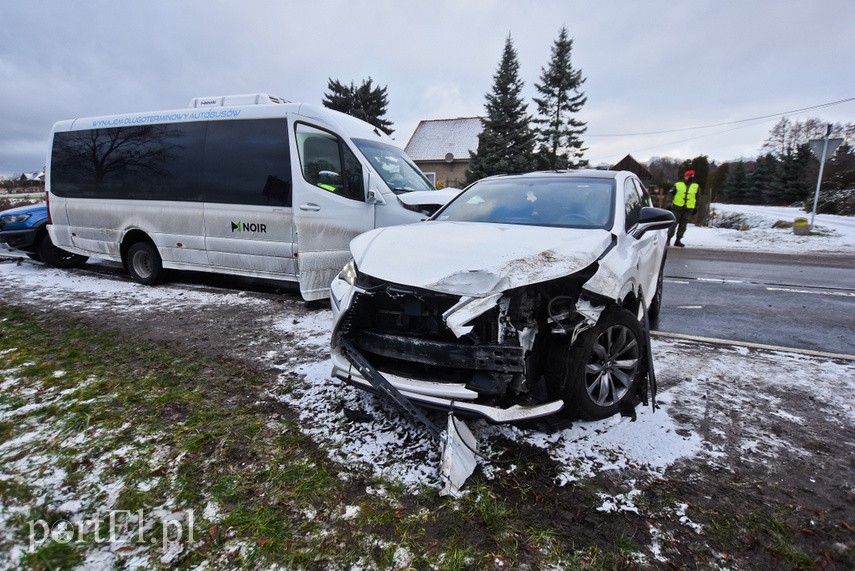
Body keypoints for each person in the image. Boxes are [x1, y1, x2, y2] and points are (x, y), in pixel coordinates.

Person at [667, 170, 700, 247]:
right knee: (673, 224)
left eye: (692, 176)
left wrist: (696, 208)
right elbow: (670, 194)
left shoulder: (696, 186)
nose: (690, 178)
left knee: (683, 225)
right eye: (689, 176)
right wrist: (669, 203)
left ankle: (678, 240)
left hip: (688, 209)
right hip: (677, 207)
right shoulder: (678, 184)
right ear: (685, 176)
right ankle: (668, 239)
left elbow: (698, 198)